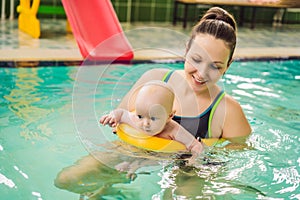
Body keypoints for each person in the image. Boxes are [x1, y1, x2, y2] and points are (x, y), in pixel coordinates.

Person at [118, 7, 251, 145]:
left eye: (215, 66)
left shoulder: (228, 111)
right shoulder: (154, 80)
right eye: (197, 59)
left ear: (227, 66)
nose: (201, 74)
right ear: (186, 50)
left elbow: (240, 152)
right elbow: (118, 122)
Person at [100, 80, 204, 155]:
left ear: (170, 116)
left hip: (160, 157)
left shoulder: (174, 131)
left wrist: (193, 159)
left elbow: (195, 145)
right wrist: (112, 117)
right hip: (135, 149)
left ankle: (133, 167)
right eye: (140, 116)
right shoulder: (134, 119)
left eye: (153, 118)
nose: (145, 124)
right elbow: (121, 113)